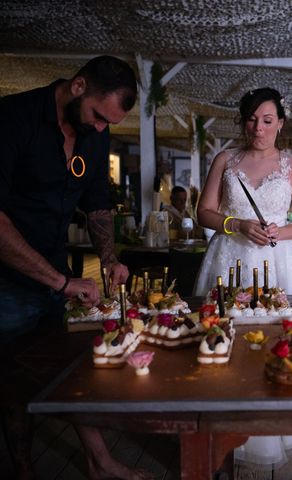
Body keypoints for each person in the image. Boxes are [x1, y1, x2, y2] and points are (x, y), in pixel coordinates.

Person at [0, 55, 152, 479]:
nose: (101, 130)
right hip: (7, 277)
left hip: (55, 267)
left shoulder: (94, 131)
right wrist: (59, 281)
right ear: (79, 86)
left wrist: (108, 259)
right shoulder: (14, 119)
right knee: (14, 380)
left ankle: (99, 462)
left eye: (109, 124)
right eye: (99, 118)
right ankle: (23, 469)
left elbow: (97, 201)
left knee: (74, 367)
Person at [193, 87, 292, 466]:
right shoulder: (226, 160)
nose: (257, 128)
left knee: (278, 343)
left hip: (279, 263)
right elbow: (205, 212)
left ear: (280, 122)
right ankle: (220, 429)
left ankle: (268, 432)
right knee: (223, 339)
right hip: (228, 258)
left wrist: (280, 231)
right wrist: (236, 224)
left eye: (266, 120)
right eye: (250, 119)